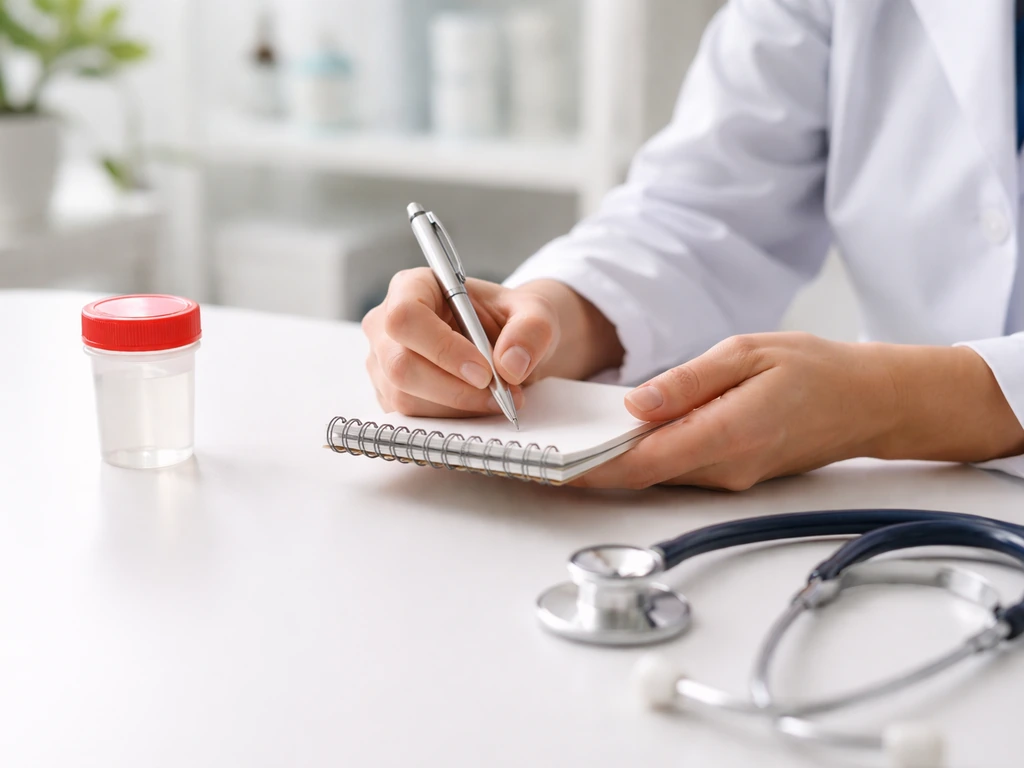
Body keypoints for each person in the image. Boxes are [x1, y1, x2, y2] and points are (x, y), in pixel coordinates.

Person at [362, 0, 1024, 490]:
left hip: (908, 477)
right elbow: (705, 203)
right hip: (918, 498)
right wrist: (550, 319)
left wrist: (892, 403)